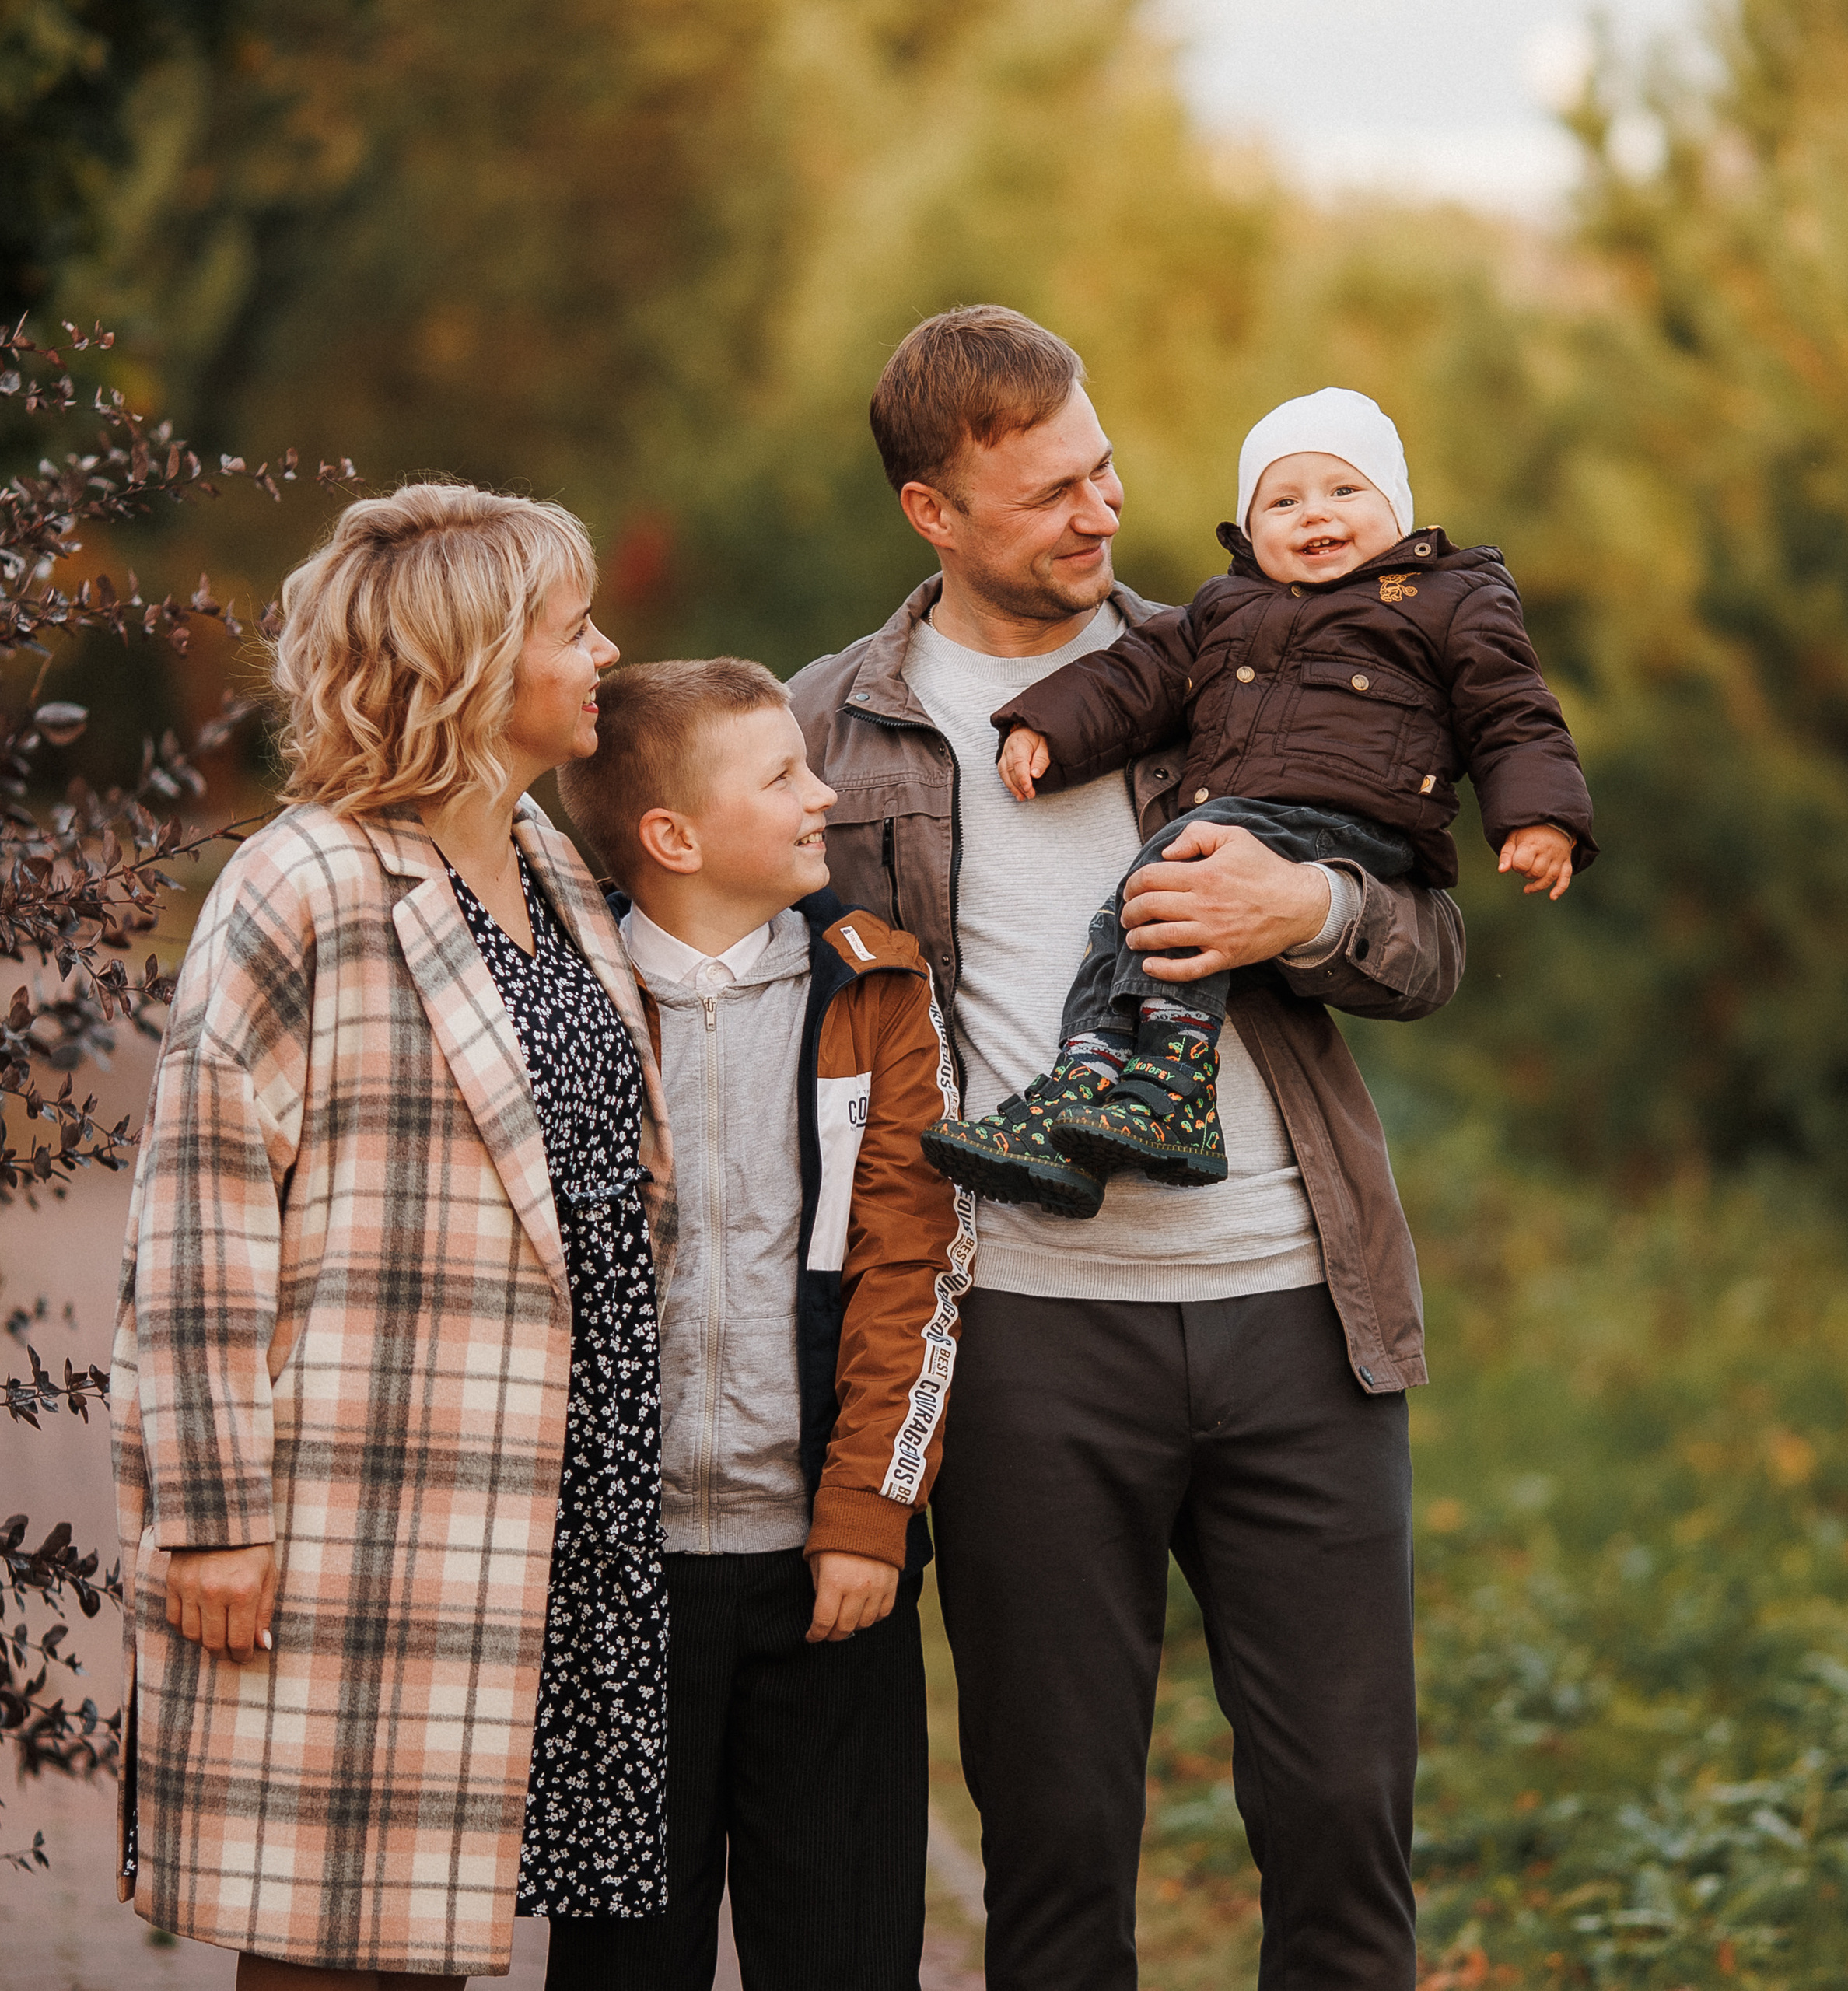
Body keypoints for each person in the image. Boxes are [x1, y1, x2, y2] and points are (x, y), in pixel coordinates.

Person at [787, 306, 1468, 1991]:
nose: (1102, 514)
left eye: (1103, 470)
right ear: (931, 514)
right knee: (1059, 1842)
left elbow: (1429, 944)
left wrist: (1303, 903)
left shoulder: (1254, 650)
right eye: (1048, 496)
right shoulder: (822, 730)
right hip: (1020, 1337)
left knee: (1340, 1823)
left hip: (1300, 1315)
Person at [110, 483, 677, 1988]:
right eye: (573, 630)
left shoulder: (556, 873)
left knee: (424, 1925)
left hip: (554, 1486)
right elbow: (194, 1227)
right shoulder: (303, 885)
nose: (606, 652)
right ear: (477, 665)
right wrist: (213, 1515)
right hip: (363, 1504)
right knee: (326, 1936)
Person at [552, 657, 974, 1990]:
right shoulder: (564, 996)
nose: (824, 794)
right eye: (783, 774)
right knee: (624, 1960)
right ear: (674, 837)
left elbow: (918, 1264)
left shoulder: (877, 992)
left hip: (826, 1574)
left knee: (845, 1954)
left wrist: (869, 1519)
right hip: (621, 1582)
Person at [922, 385, 1595, 1208]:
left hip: (1352, 822)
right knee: (1129, 909)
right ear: (1249, 529)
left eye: (1344, 490)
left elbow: (1512, 709)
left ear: (1397, 505)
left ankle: (1174, 1080)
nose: (1315, 515)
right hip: (1243, 817)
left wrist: (1538, 813)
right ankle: (1083, 1088)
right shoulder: (1223, 609)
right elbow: (1134, 677)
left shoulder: (1450, 598)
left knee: (1178, 871)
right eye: (1283, 501)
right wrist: (1044, 728)